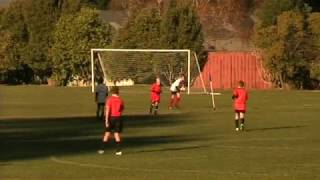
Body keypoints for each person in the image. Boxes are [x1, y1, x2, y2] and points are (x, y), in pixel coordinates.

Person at [98, 86, 124, 155]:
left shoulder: (109, 100)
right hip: (118, 118)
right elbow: (121, 109)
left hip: (111, 118)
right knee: (116, 134)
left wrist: (106, 120)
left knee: (107, 133)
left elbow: (107, 110)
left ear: (112, 92)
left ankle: (102, 149)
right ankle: (119, 150)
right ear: (118, 92)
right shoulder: (120, 100)